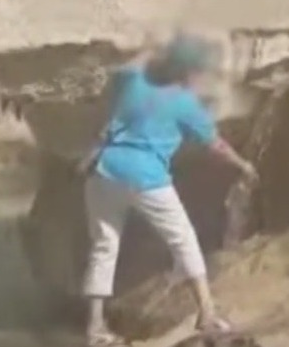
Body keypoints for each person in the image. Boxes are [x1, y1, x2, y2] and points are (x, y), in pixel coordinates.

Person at [81, 32, 259, 346]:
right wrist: (243, 165)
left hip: (105, 169)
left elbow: (123, 68)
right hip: (146, 176)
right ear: (189, 72)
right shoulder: (184, 103)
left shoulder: (133, 81)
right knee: (183, 239)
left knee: (104, 247)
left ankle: (95, 327)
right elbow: (215, 144)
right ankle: (207, 314)